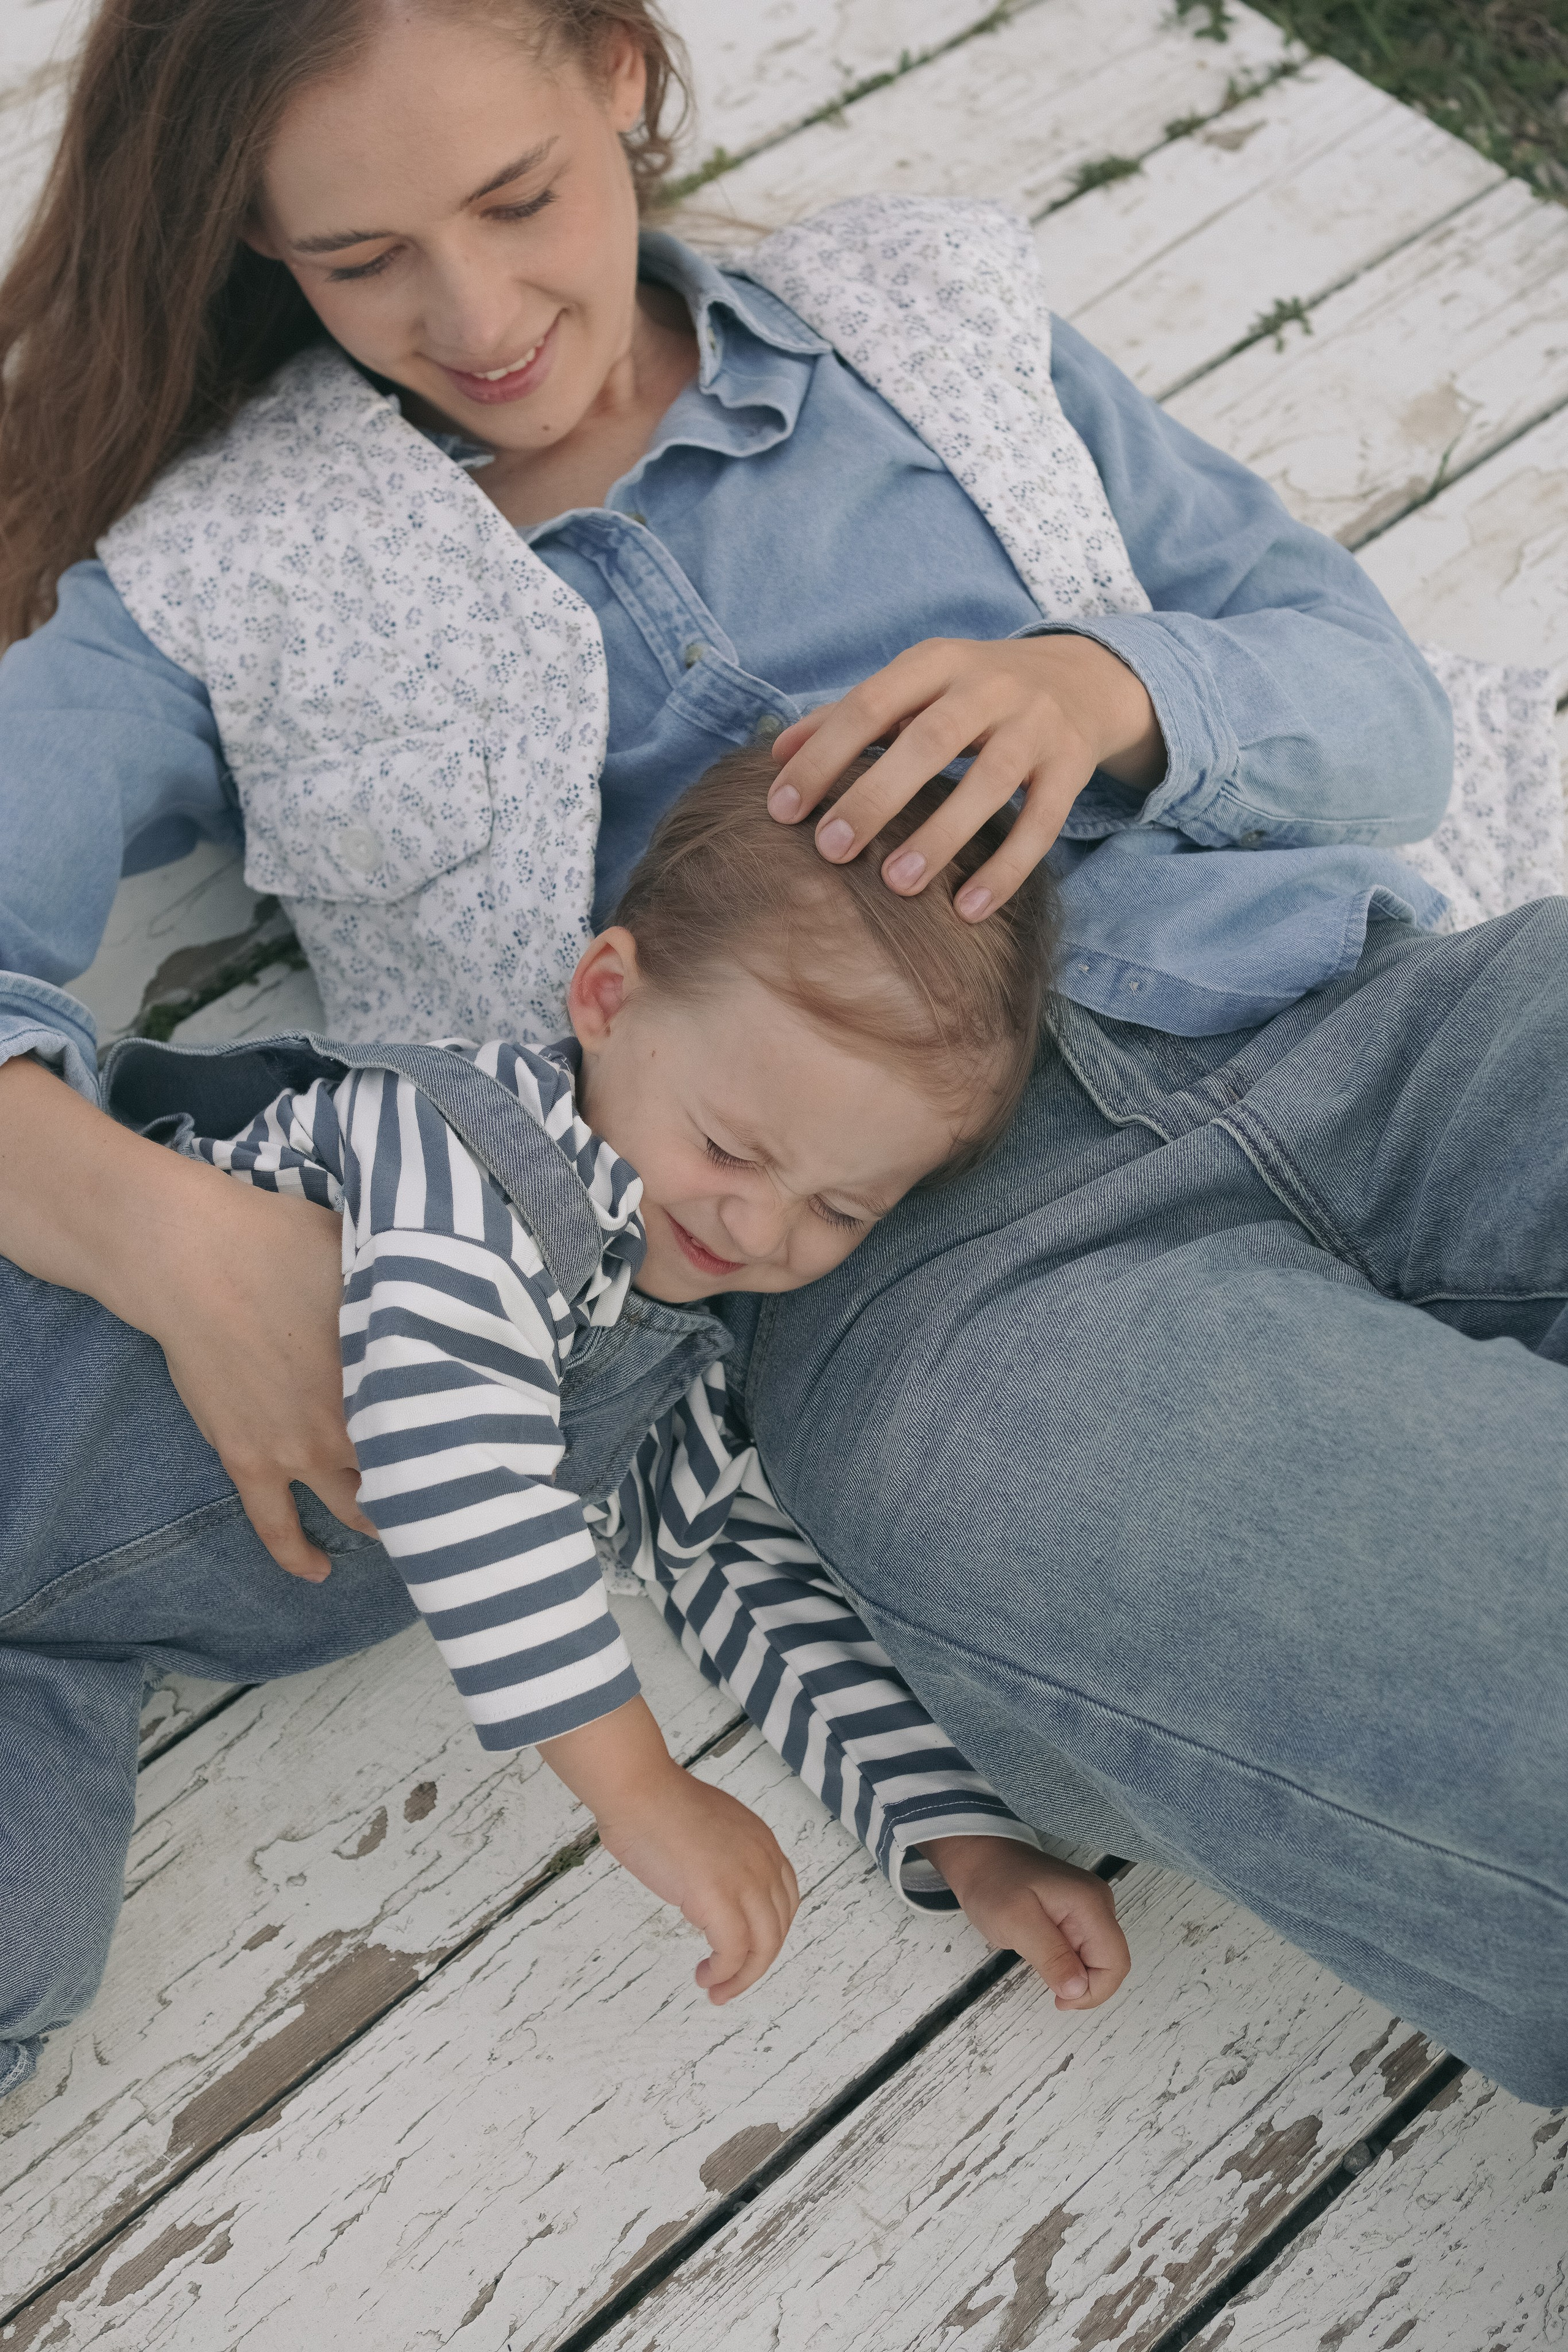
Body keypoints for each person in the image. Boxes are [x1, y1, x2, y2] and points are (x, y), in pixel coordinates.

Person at [0, 0, 1561, 2105]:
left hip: (1387, 1025)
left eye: (520, 196)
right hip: (952, 1286)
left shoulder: (924, 313)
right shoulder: (220, 580)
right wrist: (158, 1235)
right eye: (358, 261)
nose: (474, 313)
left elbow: (1375, 703)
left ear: (618, 76)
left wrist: (1110, 689)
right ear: (255, 248)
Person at [1, 748, 1131, 2087]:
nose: (758, 1226)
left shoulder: (652, 1349)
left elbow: (726, 1568)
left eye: (841, 1210)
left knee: (31, 1955)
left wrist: (959, 1833)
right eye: (730, 1149)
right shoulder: (456, 1148)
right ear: (606, 998)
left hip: (65, 1642)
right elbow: (452, 1448)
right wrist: (637, 1786)